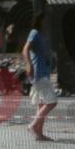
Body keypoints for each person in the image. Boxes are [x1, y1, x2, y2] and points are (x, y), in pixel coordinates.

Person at [22, 11, 57, 141]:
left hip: (44, 72)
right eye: (46, 19)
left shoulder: (42, 35)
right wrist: (28, 64)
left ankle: (39, 134)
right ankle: (33, 125)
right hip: (38, 73)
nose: (48, 22)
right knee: (52, 102)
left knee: (41, 104)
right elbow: (25, 49)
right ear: (40, 20)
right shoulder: (35, 32)